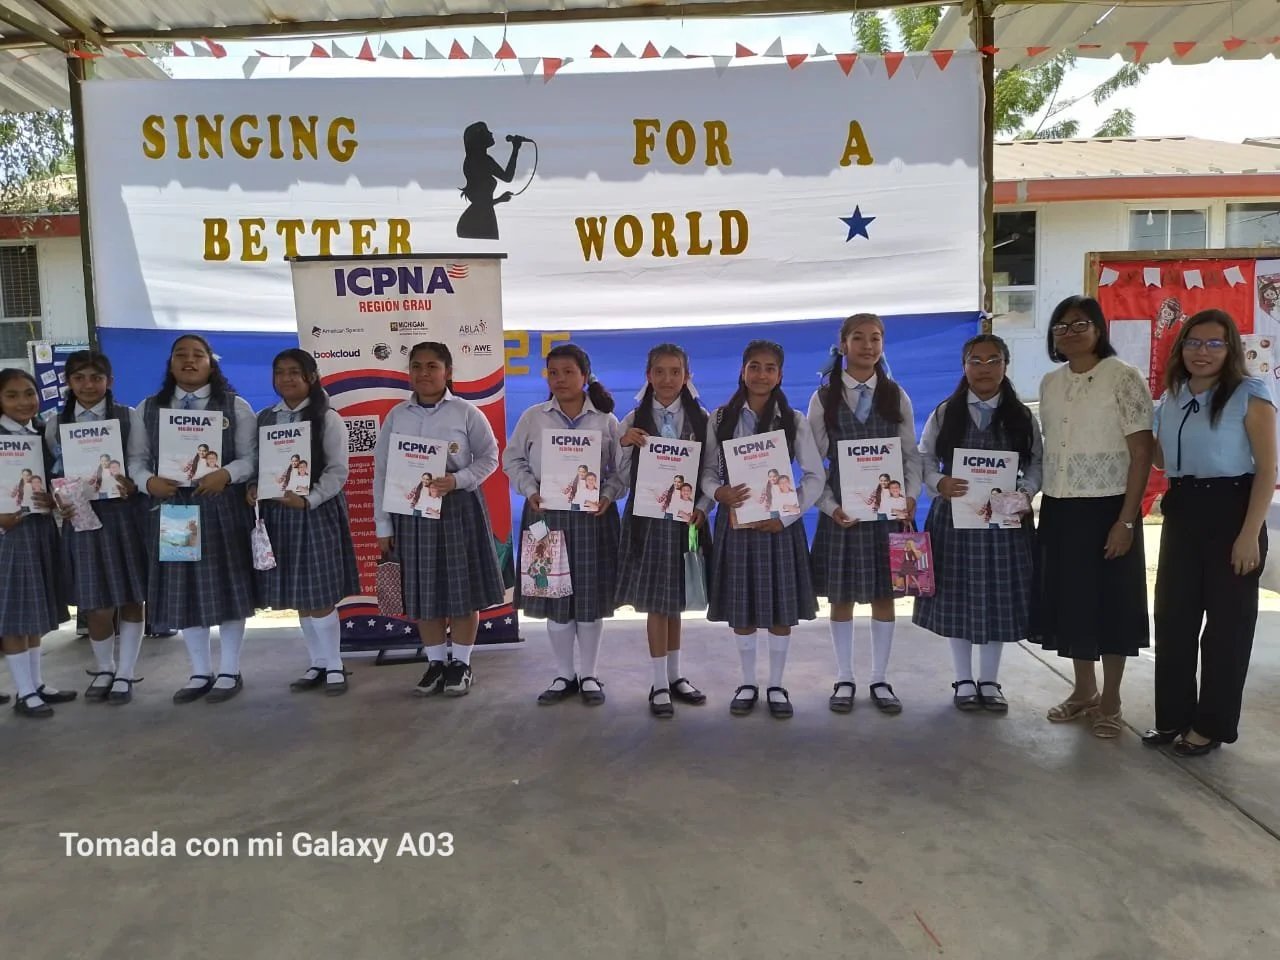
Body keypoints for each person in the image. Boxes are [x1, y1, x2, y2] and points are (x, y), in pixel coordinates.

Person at [1145, 310, 1276, 756]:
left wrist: (1249, 534)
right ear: (1181, 348)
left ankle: (1211, 725)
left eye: (1214, 343)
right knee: (1173, 618)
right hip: (1183, 509)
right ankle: (1172, 718)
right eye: (1194, 342)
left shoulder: (1249, 394)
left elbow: (1267, 470)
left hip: (1233, 510)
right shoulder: (1173, 396)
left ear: (1230, 349)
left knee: (1227, 629)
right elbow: (1162, 462)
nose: (1203, 351)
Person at [1034, 296, 1154, 738]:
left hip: (1109, 507)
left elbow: (1141, 453)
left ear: (1099, 329)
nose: (1069, 332)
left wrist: (1126, 520)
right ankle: (1083, 691)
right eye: (1060, 326)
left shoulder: (1123, 378)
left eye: (1079, 324)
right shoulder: (1050, 382)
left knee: (1112, 604)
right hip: (1061, 505)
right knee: (1073, 603)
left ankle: (1112, 699)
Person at [913, 334, 1042, 713]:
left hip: (1003, 522)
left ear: (1005, 365)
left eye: (993, 360)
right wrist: (939, 483)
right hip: (954, 518)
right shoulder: (945, 412)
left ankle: (990, 681)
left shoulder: (1021, 416)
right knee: (958, 595)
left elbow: (1037, 462)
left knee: (996, 597)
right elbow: (922, 458)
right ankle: (964, 680)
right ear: (963, 366)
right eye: (975, 360)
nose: (984, 369)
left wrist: (1026, 492)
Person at [127, 334, 258, 704]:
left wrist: (227, 474)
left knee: (229, 588)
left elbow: (252, 458)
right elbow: (136, 460)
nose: (189, 361)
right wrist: (146, 481)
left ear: (210, 365)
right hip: (175, 513)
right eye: (180, 355)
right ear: (170, 365)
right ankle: (200, 671)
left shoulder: (235, 406)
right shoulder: (149, 408)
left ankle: (230, 670)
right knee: (185, 591)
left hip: (222, 509)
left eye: (197, 355)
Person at [808, 313, 924, 715]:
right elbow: (812, 462)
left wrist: (910, 497)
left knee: (883, 596)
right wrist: (829, 506)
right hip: (843, 513)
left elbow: (911, 455)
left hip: (886, 515)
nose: (868, 346)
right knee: (840, 598)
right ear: (843, 345)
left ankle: (880, 678)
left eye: (876, 338)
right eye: (859, 338)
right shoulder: (823, 397)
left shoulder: (897, 395)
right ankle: (844, 676)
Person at [702, 339, 824, 719]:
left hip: (778, 527)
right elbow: (707, 471)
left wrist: (787, 515)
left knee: (778, 610)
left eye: (770, 368)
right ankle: (748, 683)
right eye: (754, 366)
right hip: (736, 524)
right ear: (742, 371)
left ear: (780, 375)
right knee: (743, 609)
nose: (761, 374)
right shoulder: (721, 419)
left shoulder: (794, 420)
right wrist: (717, 491)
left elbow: (815, 476)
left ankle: (776, 684)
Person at [376, 342, 505, 698]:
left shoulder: (465, 412)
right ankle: (435, 664)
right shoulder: (398, 416)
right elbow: (383, 472)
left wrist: (458, 480)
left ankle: (461, 665)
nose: (423, 373)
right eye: (416, 366)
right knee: (425, 592)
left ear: (448, 371)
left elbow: (490, 456)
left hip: (458, 510)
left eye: (432, 366)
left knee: (462, 594)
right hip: (412, 515)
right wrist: (383, 525)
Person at [504, 343, 623, 706]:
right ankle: (563, 675)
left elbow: (621, 471)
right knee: (552, 597)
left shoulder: (606, 421)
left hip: (593, 519)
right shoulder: (533, 417)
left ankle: (588, 675)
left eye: (568, 372)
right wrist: (530, 491)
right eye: (553, 372)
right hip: (545, 516)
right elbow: (512, 460)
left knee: (588, 599)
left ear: (585, 376)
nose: (560, 379)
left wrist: (608, 495)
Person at [250, 349, 361, 696]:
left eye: (294, 372)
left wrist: (308, 498)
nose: (286, 379)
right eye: (279, 372)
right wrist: (254, 486)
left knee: (319, 594)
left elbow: (338, 471)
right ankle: (316, 662)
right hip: (278, 514)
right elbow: (258, 462)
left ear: (310, 377)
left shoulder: (328, 418)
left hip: (315, 510)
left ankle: (334, 665)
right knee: (300, 593)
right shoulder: (265, 418)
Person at [45, 350, 149, 704]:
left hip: (124, 514)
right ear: (69, 383)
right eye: (79, 378)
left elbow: (137, 461)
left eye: (95, 377)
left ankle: (126, 672)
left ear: (109, 382)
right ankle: (104, 667)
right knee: (96, 601)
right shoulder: (53, 424)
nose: (88, 385)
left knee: (132, 595)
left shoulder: (128, 416)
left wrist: (132, 483)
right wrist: (57, 496)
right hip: (82, 518)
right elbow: (52, 475)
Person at [615, 343, 712, 717]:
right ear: (648, 376)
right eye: (660, 372)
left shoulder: (701, 419)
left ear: (687, 376)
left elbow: (709, 473)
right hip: (647, 522)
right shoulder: (633, 420)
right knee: (657, 603)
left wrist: (703, 507)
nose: (668, 379)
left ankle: (674, 676)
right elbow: (621, 479)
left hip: (685, 522)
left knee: (674, 602)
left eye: (676, 372)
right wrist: (624, 446)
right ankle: (658, 684)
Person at [0, 368, 74, 717]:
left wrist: (51, 499)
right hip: (7, 534)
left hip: (39, 530)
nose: (23, 401)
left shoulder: (43, 434)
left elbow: (54, 479)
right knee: (14, 615)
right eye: (12, 395)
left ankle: (36, 683)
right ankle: (24, 692)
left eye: (29, 393)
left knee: (34, 612)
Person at [456, 121, 525, 241]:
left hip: (481, 217)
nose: (491, 133)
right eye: (487, 131)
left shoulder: (482, 160)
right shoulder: (480, 161)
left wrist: (500, 199)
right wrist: (515, 149)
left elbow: (482, 201)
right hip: (477, 221)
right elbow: (507, 177)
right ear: (479, 138)